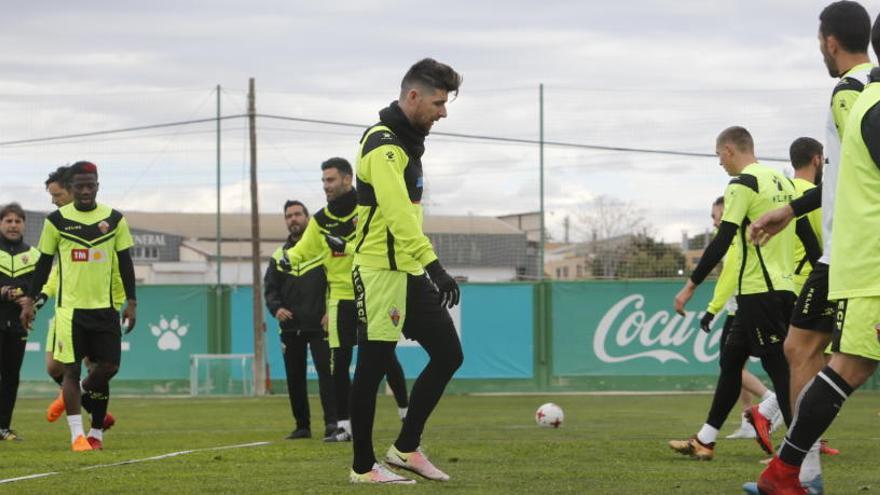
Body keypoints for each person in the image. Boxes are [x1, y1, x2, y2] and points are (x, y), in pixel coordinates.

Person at [743, 3, 874, 491]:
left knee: (819, 355)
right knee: (805, 349)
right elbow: (847, 175)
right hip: (846, 247)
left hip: (853, 249)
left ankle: (799, 471)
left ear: (829, 41)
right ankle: (797, 470)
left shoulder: (852, 92)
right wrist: (792, 210)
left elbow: (855, 174)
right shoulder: (861, 92)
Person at [669, 126, 819, 461]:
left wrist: (690, 285)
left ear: (729, 150)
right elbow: (809, 238)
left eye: (718, 155)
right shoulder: (783, 182)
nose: (719, 162)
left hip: (757, 291)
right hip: (780, 289)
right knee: (730, 362)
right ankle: (705, 441)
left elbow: (723, 239)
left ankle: (800, 451)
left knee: (780, 370)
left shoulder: (742, 184)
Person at [346, 58, 463, 484]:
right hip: (379, 272)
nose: (443, 112)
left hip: (406, 271)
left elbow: (406, 222)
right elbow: (397, 218)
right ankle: (362, 468)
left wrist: (421, 266)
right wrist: (437, 268)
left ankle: (406, 448)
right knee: (372, 368)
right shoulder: (383, 145)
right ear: (412, 96)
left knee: (450, 354)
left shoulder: (405, 143)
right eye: (438, 102)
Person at [284, 158, 410, 444]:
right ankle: (345, 427)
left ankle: (407, 415)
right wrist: (282, 258)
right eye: (323, 181)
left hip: (373, 292)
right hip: (340, 299)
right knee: (338, 364)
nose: (326, 186)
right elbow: (301, 252)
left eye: (330, 180)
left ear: (347, 179)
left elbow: (378, 247)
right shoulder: (320, 220)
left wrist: (348, 246)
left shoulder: (368, 210)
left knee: (387, 357)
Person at [19, 161, 137, 452]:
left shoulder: (115, 219)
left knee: (108, 367)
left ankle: (80, 408)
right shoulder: (56, 221)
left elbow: (125, 263)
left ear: (98, 185)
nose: (85, 190)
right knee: (69, 371)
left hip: (105, 308)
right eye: (80, 186)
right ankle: (79, 437)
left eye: (91, 185)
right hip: (70, 311)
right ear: (71, 189)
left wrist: (131, 301)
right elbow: (44, 264)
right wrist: (31, 302)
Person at [41, 166, 117, 432]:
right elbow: (53, 270)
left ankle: (96, 425)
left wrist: (121, 299)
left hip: (98, 306)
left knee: (97, 365)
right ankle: (86, 406)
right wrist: (39, 297)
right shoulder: (58, 223)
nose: (54, 200)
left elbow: (116, 263)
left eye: (57, 194)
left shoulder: (101, 222)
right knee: (55, 367)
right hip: (67, 307)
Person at [700, 196, 778, 440]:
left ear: (726, 211)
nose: (714, 223)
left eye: (715, 216)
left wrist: (712, 309)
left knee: (730, 365)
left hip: (742, 308)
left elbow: (729, 277)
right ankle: (748, 421)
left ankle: (771, 400)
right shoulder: (740, 235)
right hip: (742, 307)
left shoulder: (735, 238)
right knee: (736, 364)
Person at [264, 199, 337, 440]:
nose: (293, 219)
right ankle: (302, 426)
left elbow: (336, 281)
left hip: (320, 324)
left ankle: (333, 424)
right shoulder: (279, 256)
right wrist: (276, 309)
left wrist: (330, 310)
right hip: (290, 327)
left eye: (297, 214)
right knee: (295, 379)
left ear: (307, 218)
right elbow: (270, 288)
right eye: (289, 216)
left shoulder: (323, 249)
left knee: (328, 376)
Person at [0, 203, 40, 441]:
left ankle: (3, 427)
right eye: (8, 221)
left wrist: (29, 299)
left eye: (17, 221)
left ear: (24, 224)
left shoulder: (34, 255)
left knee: (11, 376)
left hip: (17, 325)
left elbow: (39, 287)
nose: (13, 225)